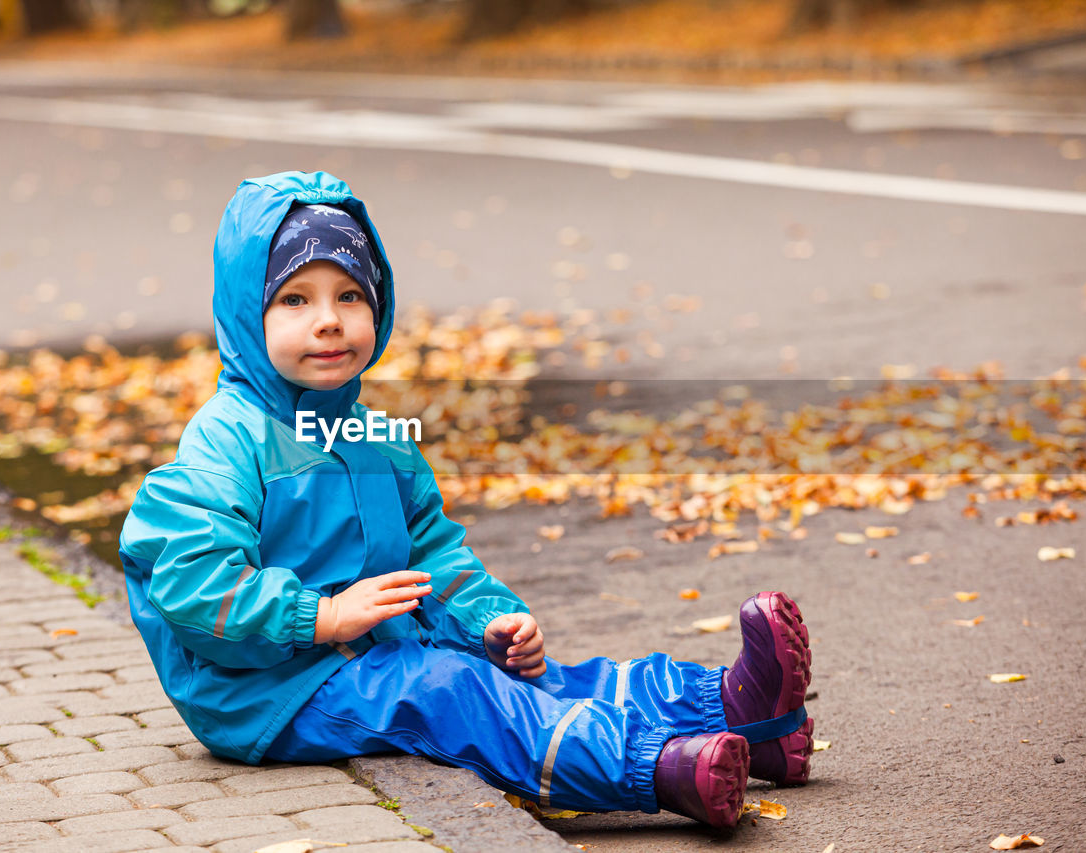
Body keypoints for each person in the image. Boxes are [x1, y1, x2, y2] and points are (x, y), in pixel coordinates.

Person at [119, 170, 814, 828]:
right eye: (296, 299)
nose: (329, 320)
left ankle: (737, 713)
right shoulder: (227, 440)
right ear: (247, 316)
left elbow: (435, 556)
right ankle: (657, 770)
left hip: (374, 653)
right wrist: (322, 615)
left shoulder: (377, 439)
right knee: (452, 692)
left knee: (545, 680)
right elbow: (190, 579)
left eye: (350, 295)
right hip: (273, 689)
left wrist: (490, 619)